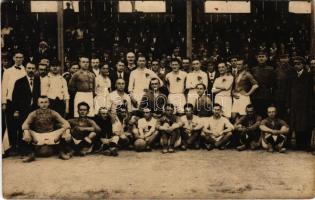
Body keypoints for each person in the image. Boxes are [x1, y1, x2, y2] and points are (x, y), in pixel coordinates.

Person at [21, 96, 72, 162]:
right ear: (38, 104)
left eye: (46, 102)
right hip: (38, 136)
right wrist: (27, 133)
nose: (44, 104)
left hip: (51, 135)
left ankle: (61, 152)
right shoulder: (34, 113)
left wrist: (67, 133)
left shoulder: (53, 112)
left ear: (49, 103)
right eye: (41, 102)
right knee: (26, 131)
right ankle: (31, 154)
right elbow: (25, 124)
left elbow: (65, 123)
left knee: (64, 129)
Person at [12, 62, 41, 153]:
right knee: (23, 128)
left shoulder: (37, 80)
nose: (31, 70)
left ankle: (33, 149)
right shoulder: (19, 81)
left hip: (34, 109)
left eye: (33, 68)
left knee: (33, 127)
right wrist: (16, 110)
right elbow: (15, 97)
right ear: (26, 69)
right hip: (23, 109)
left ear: (35, 70)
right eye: (29, 68)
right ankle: (23, 149)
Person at [286, 56, 314, 151]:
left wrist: (310, 106)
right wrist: (288, 105)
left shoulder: (308, 76)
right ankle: (298, 144)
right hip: (294, 105)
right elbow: (289, 92)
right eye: (295, 64)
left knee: (305, 124)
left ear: (303, 65)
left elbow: (311, 93)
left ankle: (305, 145)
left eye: (299, 64)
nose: (296, 66)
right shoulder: (292, 76)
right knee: (296, 124)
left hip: (305, 105)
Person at [2, 51, 26, 154]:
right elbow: (3, 87)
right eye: (17, 57)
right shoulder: (8, 71)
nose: (19, 59)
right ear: (13, 58)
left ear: (23, 59)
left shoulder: (25, 70)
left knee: (21, 124)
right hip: (10, 101)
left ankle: (21, 146)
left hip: (22, 102)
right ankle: (12, 146)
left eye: (21, 57)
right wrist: (3, 102)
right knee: (11, 124)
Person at [251, 51, 276, 117]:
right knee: (256, 114)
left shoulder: (271, 69)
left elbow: (273, 84)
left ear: (266, 58)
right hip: (255, 96)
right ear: (257, 58)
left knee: (265, 114)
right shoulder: (253, 69)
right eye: (259, 57)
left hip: (266, 96)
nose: (261, 58)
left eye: (263, 57)